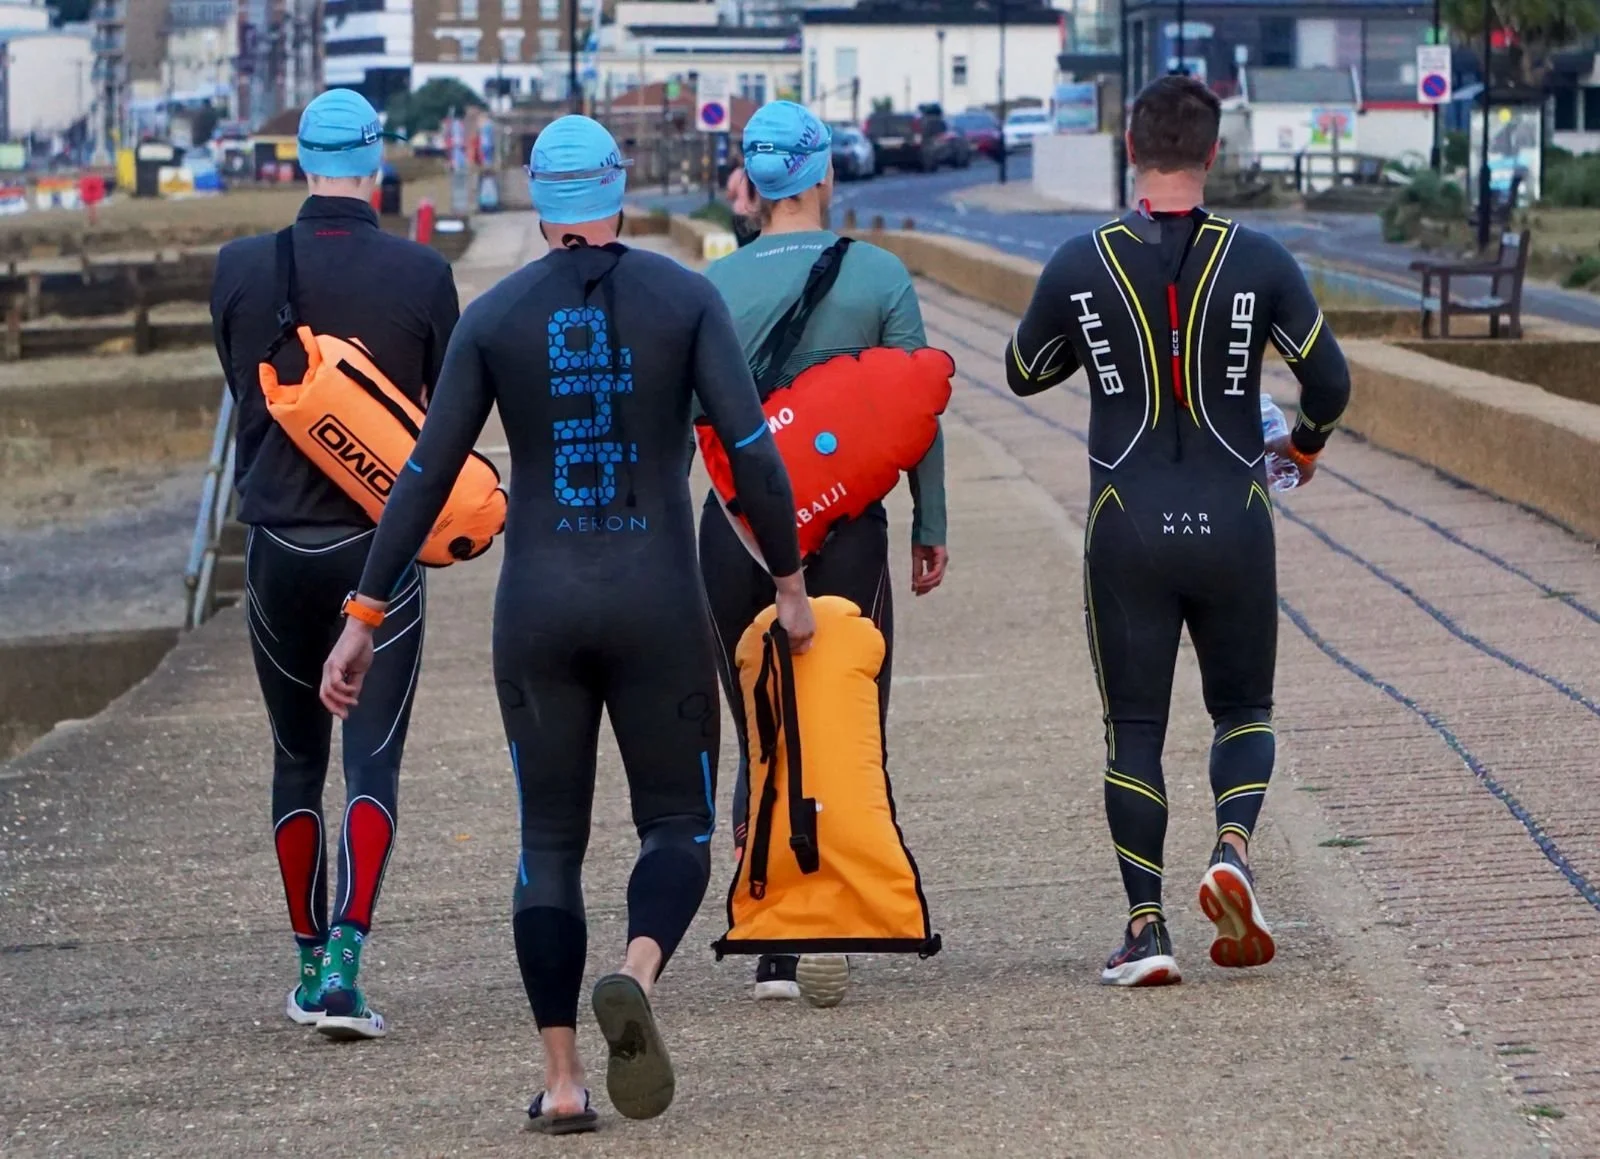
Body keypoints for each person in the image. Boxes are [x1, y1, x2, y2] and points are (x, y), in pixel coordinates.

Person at [318, 115, 813, 1131]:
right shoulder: (685, 297)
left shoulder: (495, 317)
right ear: (621, 194)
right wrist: (791, 581)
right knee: (674, 823)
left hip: (535, 608)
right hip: (659, 600)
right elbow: (755, 456)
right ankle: (634, 968)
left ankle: (560, 1082)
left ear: (540, 206)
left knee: (548, 841)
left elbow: (422, 474)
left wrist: (364, 613)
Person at [1002, 75, 1350, 987]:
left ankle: (1147, 931)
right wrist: (1303, 447)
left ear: (1129, 148)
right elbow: (1332, 384)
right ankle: (1231, 849)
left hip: (1128, 524)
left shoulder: (1082, 261)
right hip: (1236, 518)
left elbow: (1023, 370)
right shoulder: (1263, 259)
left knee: (1136, 730)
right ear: (1212, 152)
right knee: (1243, 710)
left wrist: (1100, 338)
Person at [210, 88, 460, 1039]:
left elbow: (246, 388)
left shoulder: (238, 269)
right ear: (376, 161)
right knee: (372, 758)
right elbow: (437, 419)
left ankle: (307, 961)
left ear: (300, 162)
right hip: (379, 554)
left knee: (294, 757)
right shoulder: (422, 275)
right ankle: (349, 965)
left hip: (276, 548)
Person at [697, 99, 950, 1007]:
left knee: (759, 728)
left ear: (752, 185)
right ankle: (832, 920)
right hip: (846, 536)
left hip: (731, 534)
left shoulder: (714, 287)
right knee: (847, 729)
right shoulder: (878, 274)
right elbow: (921, 410)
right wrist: (931, 524)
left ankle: (769, 940)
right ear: (825, 175)